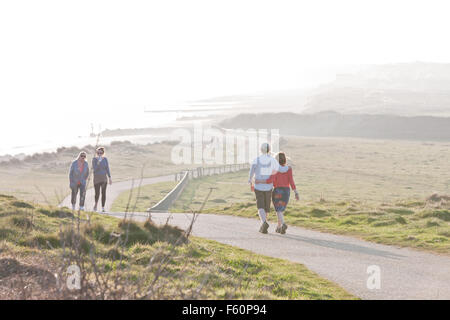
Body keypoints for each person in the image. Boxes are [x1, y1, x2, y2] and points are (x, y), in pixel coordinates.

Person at [256, 152, 299, 234]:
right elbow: (291, 181)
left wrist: (260, 181)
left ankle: (283, 224)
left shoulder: (274, 169)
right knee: (280, 210)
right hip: (286, 191)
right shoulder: (289, 169)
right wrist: (296, 192)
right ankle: (279, 227)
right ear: (285, 160)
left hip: (278, 191)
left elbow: (269, 180)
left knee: (278, 210)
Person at [248, 143, 279, 234]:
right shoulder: (273, 160)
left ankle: (264, 222)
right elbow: (276, 171)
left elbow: (251, 171)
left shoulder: (256, 160)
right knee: (266, 207)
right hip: (269, 187)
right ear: (269, 150)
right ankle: (263, 225)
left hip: (258, 186)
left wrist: (250, 181)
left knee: (260, 206)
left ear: (260, 150)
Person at [92, 147, 112, 213]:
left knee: (103, 193)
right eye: (98, 153)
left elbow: (107, 168)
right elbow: (94, 169)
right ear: (96, 153)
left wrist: (110, 177)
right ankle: (96, 205)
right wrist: (98, 162)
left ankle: (103, 207)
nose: (99, 154)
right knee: (97, 193)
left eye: (101, 153)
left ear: (103, 153)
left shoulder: (105, 159)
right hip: (96, 178)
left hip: (104, 179)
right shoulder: (94, 159)